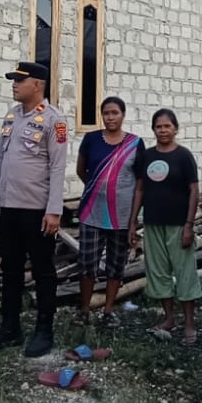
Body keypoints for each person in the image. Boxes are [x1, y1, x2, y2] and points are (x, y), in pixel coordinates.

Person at [0, 61, 69, 356]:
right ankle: (10, 328)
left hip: (37, 210)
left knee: (43, 272)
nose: (14, 84)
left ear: (37, 85)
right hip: (10, 209)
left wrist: (54, 210)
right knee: (11, 269)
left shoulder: (55, 120)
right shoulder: (12, 116)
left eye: (20, 80)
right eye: (13, 80)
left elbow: (58, 168)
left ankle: (44, 330)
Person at [129, 109, 201, 344]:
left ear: (175, 128)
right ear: (153, 130)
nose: (163, 131)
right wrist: (133, 221)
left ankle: (189, 323)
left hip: (179, 224)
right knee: (158, 273)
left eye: (167, 126)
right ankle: (169, 318)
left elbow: (193, 190)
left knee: (184, 273)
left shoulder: (184, 156)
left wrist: (189, 224)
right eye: (158, 127)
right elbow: (140, 189)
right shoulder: (147, 156)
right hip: (153, 223)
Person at [75, 96, 144, 323]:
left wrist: (133, 220)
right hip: (91, 213)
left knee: (116, 264)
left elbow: (140, 184)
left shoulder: (135, 143)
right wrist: (97, 189)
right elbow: (81, 169)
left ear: (123, 115)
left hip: (122, 217)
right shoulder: (91, 139)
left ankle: (108, 310)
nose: (110, 117)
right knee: (87, 263)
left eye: (115, 113)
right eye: (106, 113)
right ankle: (84, 310)